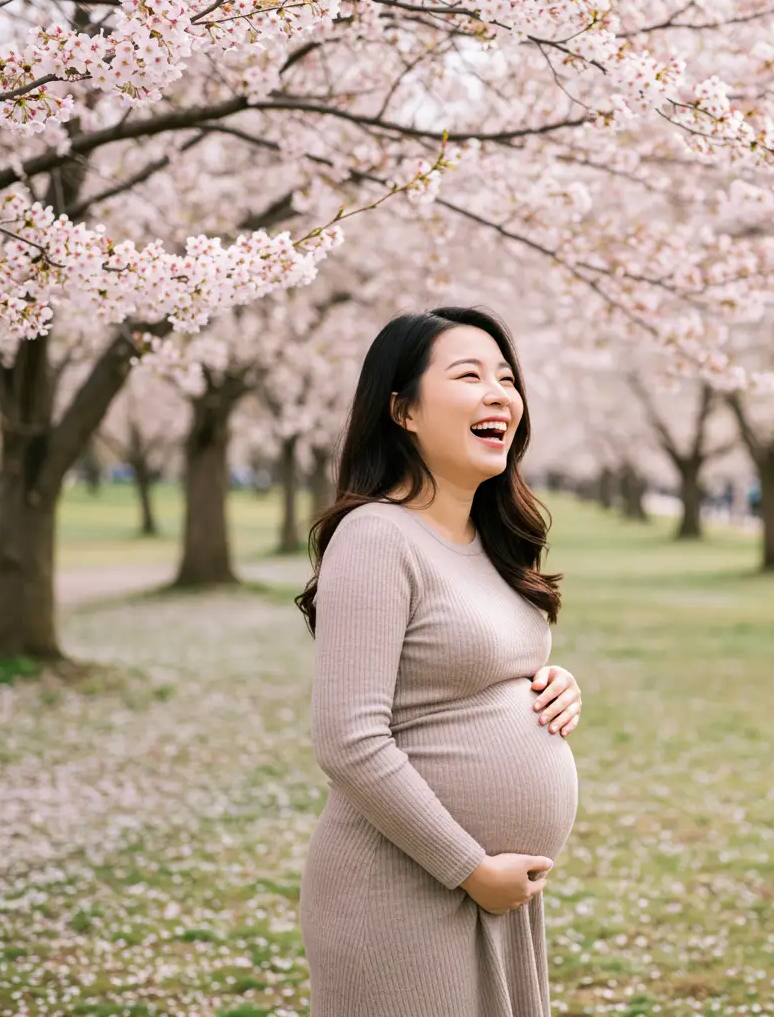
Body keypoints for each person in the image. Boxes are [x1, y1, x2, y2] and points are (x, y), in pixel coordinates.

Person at [295, 307, 583, 1017]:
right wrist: (471, 869)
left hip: (492, 892)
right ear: (403, 411)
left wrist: (549, 686)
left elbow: (468, 670)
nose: (499, 395)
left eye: (507, 379)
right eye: (469, 376)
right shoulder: (375, 537)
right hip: (405, 889)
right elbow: (348, 739)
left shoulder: (489, 540)